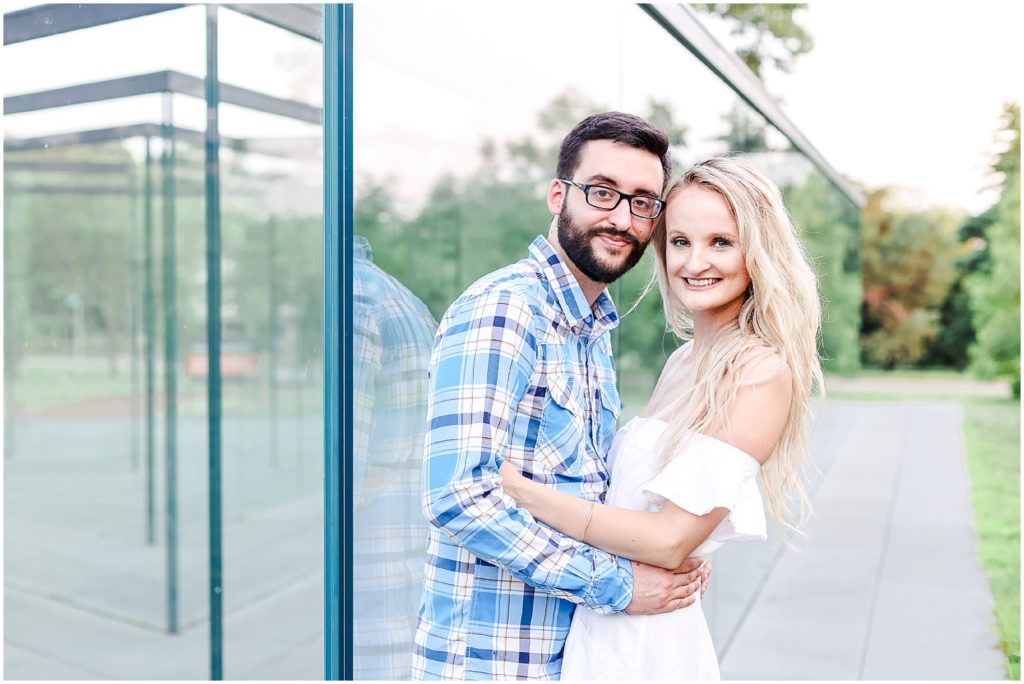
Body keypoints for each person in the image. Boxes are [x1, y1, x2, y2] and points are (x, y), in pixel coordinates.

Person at [498, 155, 825, 679]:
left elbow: (669, 539)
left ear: (757, 252)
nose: (695, 262)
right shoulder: (682, 360)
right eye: (680, 241)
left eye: (721, 241)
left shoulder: (760, 372)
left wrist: (519, 490)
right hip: (604, 620)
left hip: (649, 642)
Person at [413, 112, 711, 680]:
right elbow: (458, 496)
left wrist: (666, 552)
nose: (621, 218)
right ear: (558, 195)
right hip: (494, 664)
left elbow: (586, 492)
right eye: (603, 192)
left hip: (569, 655)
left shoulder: (591, 327)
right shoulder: (507, 309)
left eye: (643, 202)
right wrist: (619, 584)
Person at [352, 235, 439, 679]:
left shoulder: (354, 299)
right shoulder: (397, 296)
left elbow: (342, 476)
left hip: (364, 599)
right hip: (402, 585)